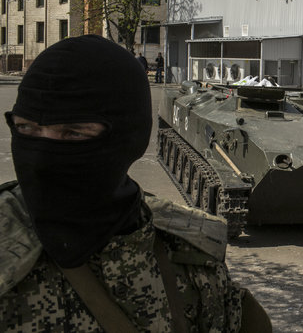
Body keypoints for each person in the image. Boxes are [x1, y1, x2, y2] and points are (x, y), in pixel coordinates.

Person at [0, 36, 270, 331]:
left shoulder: (193, 264)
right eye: (26, 128)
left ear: (128, 137)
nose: (40, 162)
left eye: (74, 133)